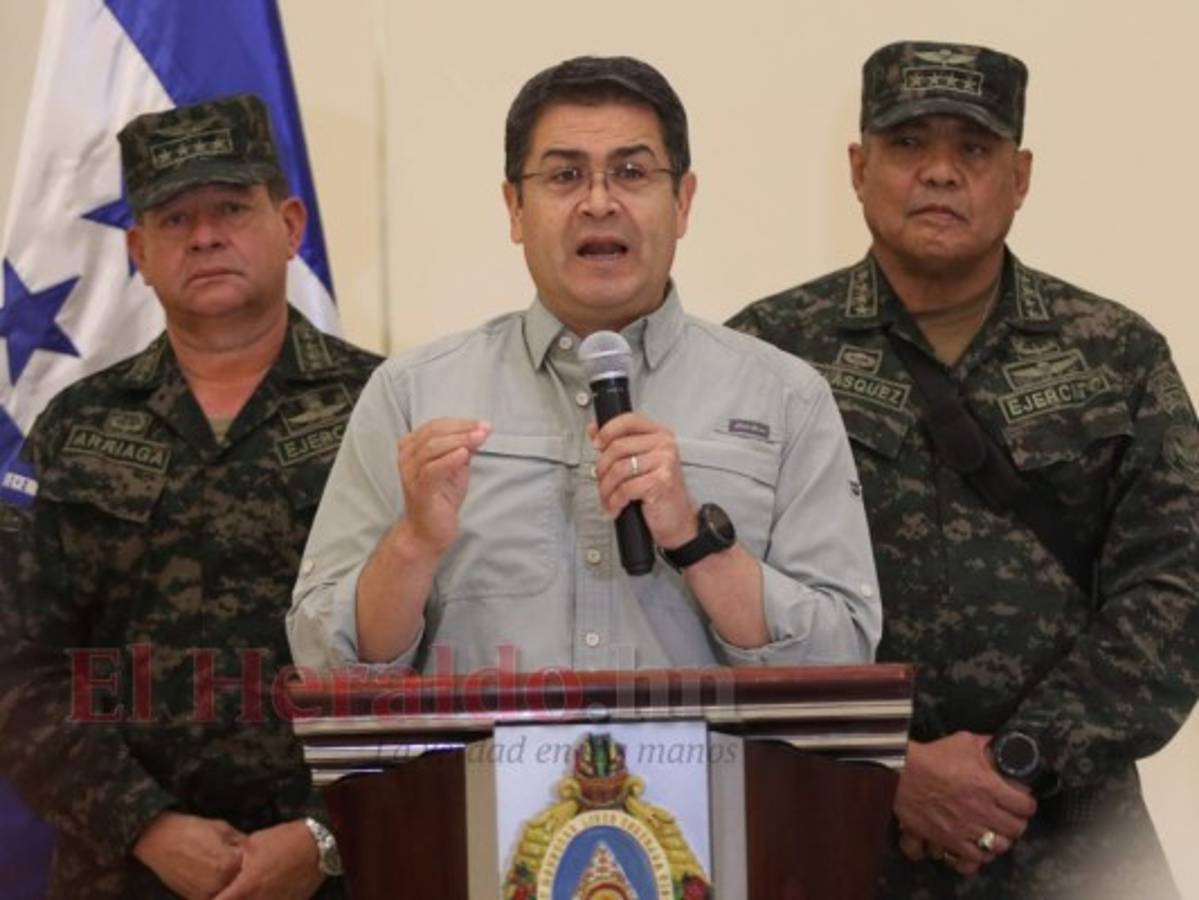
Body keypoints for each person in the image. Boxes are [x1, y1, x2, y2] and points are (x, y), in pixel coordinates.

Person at [728, 40, 1199, 899]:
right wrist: (890, 766)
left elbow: (1177, 586)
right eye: (908, 143)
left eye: (973, 149)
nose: (940, 172)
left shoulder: (1115, 354)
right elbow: (719, 601)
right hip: (834, 827)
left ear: (1018, 177)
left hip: (1075, 838)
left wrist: (1020, 760)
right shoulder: (766, 354)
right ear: (858, 167)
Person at [287, 56, 881, 676]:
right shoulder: (412, 396)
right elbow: (322, 664)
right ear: (516, 208)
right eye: (565, 175)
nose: (599, 202)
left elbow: (843, 658)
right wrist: (412, 544)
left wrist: (695, 539)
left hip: (707, 745)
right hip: (480, 746)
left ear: (682, 201)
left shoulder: (785, 399)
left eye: (632, 172)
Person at [0, 94, 381, 898]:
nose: (205, 236)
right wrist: (144, 824)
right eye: (175, 219)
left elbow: (450, 646)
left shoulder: (384, 407)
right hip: (122, 873)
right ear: (139, 250)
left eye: (232, 208)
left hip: (346, 869)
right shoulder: (74, 427)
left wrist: (324, 834)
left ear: (290, 226)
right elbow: (17, 667)